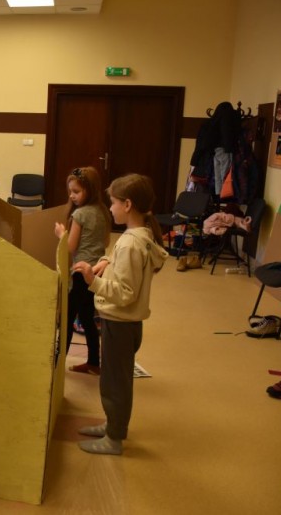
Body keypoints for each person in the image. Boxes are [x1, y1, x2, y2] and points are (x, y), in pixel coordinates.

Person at [71, 174, 168, 455]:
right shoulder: (140, 235)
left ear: (127, 205)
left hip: (120, 322)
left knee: (115, 383)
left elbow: (125, 292)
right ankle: (112, 425)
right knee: (114, 380)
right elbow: (122, 262)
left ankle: (113, 438)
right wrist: (106, 261)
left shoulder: (129, 243)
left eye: (113, 203)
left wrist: (92, 280)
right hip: (127, 324)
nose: (110, 208)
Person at [54, 166, 111, 375]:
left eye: (76, 191)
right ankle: (94, 362)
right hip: (96, 272)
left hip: (81, 272)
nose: (72, 195)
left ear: (90, 190)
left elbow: (70, 247)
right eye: (70, 191)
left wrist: (61, 234)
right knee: (87, 317)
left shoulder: (80, 214)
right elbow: (106, 241)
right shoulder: (103, 211)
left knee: (67, 318)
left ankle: (57, 365)